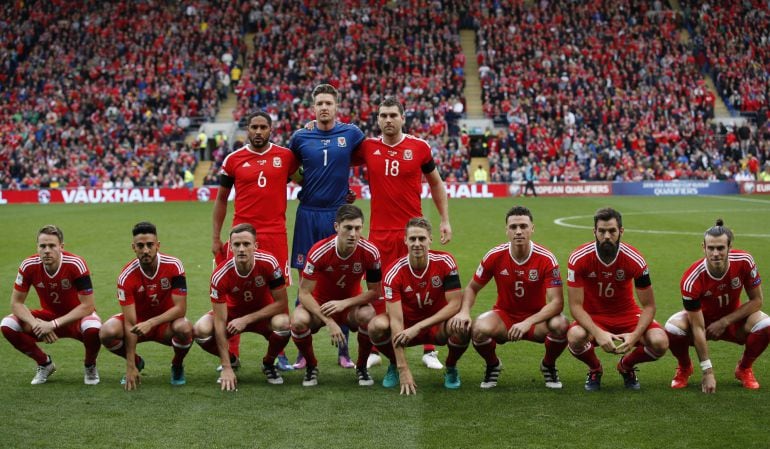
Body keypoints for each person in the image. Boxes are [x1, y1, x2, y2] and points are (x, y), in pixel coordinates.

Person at [355, 97, 452, 370]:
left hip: (413, 232)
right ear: (377, 119)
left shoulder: (419, 147)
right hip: (379, 233)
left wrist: (444, 220)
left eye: (393, 115)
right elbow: (337, 166)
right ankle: (377, 345)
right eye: (383, 115)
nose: (388, 120)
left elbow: (436, 183)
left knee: (425, 286)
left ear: (403, 118)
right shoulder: (367, 147)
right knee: (378, 290)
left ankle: (430, 348)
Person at [211, 111, 299, 371]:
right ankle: (232, 353)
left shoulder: (286, 157)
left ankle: (279, 352)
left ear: (271, 129)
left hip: (275, 235)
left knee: (276, 292)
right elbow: (220, 200)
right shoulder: (233, 160)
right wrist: (216, 237)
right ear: (246, 130)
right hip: (239, 235)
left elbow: (306, 181)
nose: (258, 131)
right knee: (233, 293)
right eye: (254, 127)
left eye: (263, 127)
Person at [289, 84, 365, 369]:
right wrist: (304, 183)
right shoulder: (300, 137)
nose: (324, 107)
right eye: (319, 103)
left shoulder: (351, 133)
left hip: (337, 214)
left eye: (328, 103)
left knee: (341, 281)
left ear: (336, 107)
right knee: (304, 284)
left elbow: (364, 155)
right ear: (313, 108)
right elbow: (289, 167)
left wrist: (346, 189)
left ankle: (344, 351)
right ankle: (302, 352)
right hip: (308, 214)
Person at [451, 206, 568, 389]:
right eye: (513, 227)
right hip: (504, 316)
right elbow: (472, 288)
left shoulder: (546, 258)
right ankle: (493, 365)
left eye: (523, 226)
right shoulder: (495, 255)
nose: (518, 231)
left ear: (532, 229)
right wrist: (464, 312)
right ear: (507, 230)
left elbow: (557, 303)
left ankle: (548, 365)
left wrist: (527, 322)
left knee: (561, 325)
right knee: (478, 329)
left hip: (536, 319)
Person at [566, 207, 668, 391]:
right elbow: (575, 306)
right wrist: (597, 333)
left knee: (660, 342)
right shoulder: (578, 258)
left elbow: (649, 306)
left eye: (612, 231)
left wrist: (635, 336)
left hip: (627, 315)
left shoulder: (635, 259)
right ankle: (595, 368)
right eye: (602, 231)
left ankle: (626, 366)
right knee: (575, 336)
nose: (606, 236)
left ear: (621, 231)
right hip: (593, 315)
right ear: (594, 232)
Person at [665, 219, 768, 392]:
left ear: (729, 247)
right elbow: (697, 326)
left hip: (733, 322)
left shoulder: (745, 261)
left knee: (766, 324)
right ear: (703, 248)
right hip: (702, 325)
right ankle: (684, 367)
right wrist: (708, 371)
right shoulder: (692, 279)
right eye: (710, 248)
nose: (715, 253)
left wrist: (724, 322)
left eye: (720, 248)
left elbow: (757, 300)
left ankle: (744, 368)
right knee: (672, 328)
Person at [368, 217, 468, 395]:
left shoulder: (446, 262)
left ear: (430, 239)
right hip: (405, 327)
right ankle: (393, 363)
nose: (417, 244)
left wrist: (419, 327)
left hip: (437, 326)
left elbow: (455, 305)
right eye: (412, 239)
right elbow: (396, 320)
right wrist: (403, 369)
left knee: (463, 326)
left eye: (421, 238)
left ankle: (451, 367)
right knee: (376, 326)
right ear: (405, 240)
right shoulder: (393, 272)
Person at [290, 205, 382, 386]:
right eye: (348, 228)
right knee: (298, 320)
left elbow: (375, 291)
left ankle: (361, 368)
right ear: (336, 227)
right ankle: (311, 367)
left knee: (368, 315)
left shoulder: (371, 252)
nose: (353, 234)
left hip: (349, 308)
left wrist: (344, 303)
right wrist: (329, 321)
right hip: (320, 306)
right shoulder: (319, 251)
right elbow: (304, 293)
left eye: (357, 228)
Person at [195, 223, 292, 391]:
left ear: (255, 246)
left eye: (246, 244)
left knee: (284, 323)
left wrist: (246, 319)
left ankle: (268, 363)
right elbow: (219, 321)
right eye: (236, 244)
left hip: (262, 315)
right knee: (200, 329)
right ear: (230, 247)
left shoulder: (269, 262)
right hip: (232, 316)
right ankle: (232, 361)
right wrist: (226, 366)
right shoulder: (220, 275)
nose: (241, 249)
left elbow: (281, 303)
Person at [1, 225, 101, 385]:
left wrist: (53, 325)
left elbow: (88, 306)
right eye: (43, 246)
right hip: (47, 318)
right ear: (37, 248)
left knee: (93, 328)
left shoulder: (76, 264)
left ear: (61, 247)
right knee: (8, 325)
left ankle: (90, 365)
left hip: (76, 318)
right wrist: (36, 325)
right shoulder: (28, 265)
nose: (47, 250)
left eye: (52, 246)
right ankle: (44, 364)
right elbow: (16, 303)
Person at [99, 222, 193, 390]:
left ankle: (177, 365)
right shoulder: (125, 277)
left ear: (158, 246)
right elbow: (130, 323)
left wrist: (151, 323)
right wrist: (130, 364)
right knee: (106, 332)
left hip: (164, 324)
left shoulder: (174, 265)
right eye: (140, 246)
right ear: (133, 247)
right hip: (137, 324)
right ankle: (137, 363)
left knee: (185, 328)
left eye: (150, 245)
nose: (145, 250)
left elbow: (180, 309)